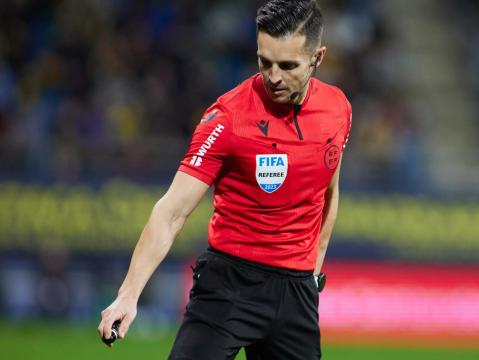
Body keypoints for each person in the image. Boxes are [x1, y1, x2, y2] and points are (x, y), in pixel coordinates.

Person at [98, 0, 351, 358]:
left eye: (288, 65)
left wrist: (313, 273)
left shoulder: (339, 109)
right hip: (229, 286)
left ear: (318, 58)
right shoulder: (227, 117)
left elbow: (328, 193)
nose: (274, 76)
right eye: (265, 62)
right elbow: (171, 211)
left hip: (296, 295)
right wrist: (129, 294)